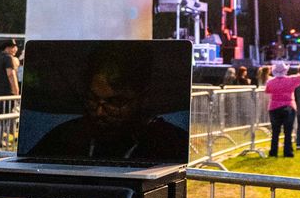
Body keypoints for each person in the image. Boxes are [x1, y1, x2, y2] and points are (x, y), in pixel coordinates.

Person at [30, 47, 190, 162]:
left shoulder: (169, 143)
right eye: (92, 99)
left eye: (115, 103)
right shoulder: (64, 137)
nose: (99, 112)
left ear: (143, 97)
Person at [263, 61, 300, 157]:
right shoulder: (291, 80)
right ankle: (288, 152)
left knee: (275, 131)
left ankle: (273, 151)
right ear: (285, 70)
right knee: (288, 131)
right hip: (288, 106)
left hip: (274, 107)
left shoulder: (270, 82)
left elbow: (267, 91)